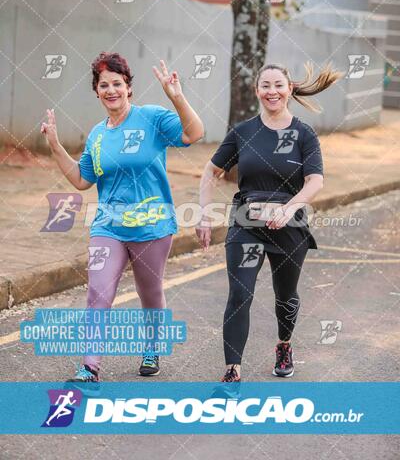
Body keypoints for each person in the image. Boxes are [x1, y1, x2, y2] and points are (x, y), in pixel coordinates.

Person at [41, 52, 204, 385]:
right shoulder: (97, 135)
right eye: (104, 85)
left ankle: (152, 347)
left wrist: (178, 98)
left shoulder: (153, 119)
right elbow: (82, 180)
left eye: (117, 83)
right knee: (98, 293)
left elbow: (194, 133)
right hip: (108, 226)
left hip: (151, 226)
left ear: (128, 88)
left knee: (150, 293)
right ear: (96, 91)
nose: (111, 90)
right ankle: (90, 367)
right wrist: (56, 145)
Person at [196, 61, 343, 382]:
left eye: (278, 85)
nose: (272, 92)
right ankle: (232, 370)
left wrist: (289, 209)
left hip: (288, 227)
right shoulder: (243, 132)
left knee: (285, 295)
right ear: (257, 90)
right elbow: (210, 171)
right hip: (246, 224)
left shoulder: (304, 134)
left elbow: (315, 181)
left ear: (289, 89)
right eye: (266, 86)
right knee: (240, 294)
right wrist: (203, 213)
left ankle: (284, 344)